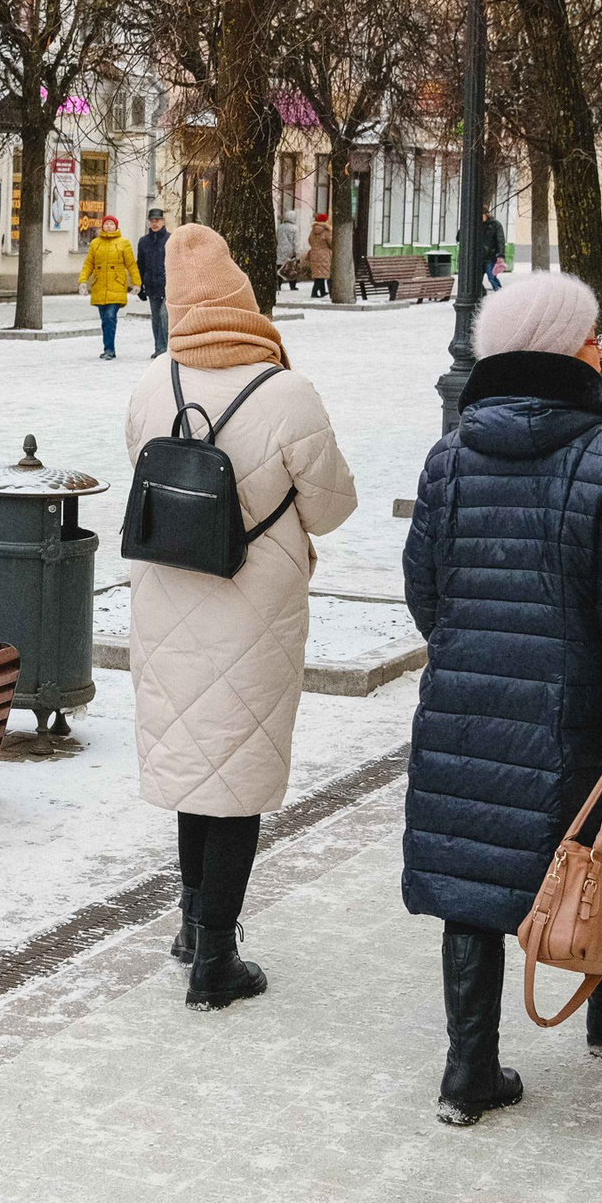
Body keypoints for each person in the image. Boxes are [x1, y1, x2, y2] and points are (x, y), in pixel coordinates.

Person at [401, 271, 602, 1125]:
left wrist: (472, 650)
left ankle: (467, 1072)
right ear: (566, 350)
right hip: (581, 715)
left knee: (471, 877)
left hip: (464, 708)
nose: (601, 346)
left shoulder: (450, 455)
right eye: (592, 335)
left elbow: (424, 587)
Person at [124, 225, 358, 1010]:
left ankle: (193, 925)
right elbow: (331, 508)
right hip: (254, 606)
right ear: (242, 297)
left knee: (198, 763)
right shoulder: (285, 392)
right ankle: (215, 959)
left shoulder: (155, 383)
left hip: (170, 595)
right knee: (238, 771)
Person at [79, 213, 139, 361]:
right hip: (100, 285)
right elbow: (88, 264)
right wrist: (82, 281)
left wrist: (136, 283)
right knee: (104, 319)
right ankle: (107, 348)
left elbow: (131, 264)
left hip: (116, 285)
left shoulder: (123, 242)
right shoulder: (95, 243)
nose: (109, 226)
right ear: (103, 226)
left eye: (112, 224)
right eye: (106, 224)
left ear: (116, 226)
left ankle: (110, 350)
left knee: (110, 317)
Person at [136, 208, 172, 357]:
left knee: (165, 315)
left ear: (163, 221)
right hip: (151, 284)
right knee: (156, 317)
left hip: (168, 284)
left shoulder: (171, 239)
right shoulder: (144, 241)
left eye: (157, 220)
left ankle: (165, 348)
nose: (154, 223)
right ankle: (159, 348)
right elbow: (140, 265)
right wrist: (140, 286)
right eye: (152, 221)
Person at [305, 213, 333, 301]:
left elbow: (309, 240)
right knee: (322, 274)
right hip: (324, 254)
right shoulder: (326, 230)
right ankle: (314, 292)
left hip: (314, 253)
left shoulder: (313, 230)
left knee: (319, 273)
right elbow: (331, 242)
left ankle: (322, 291)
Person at [479, 215, 508, 291]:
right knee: (476, 280)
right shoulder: (476, 224)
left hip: (490, 256)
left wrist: (500, 254)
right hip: (479, 256)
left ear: (486, 214)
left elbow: (500, 241)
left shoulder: (495, 225)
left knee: (492, 278)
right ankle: (482, 294)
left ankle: (499, 293)